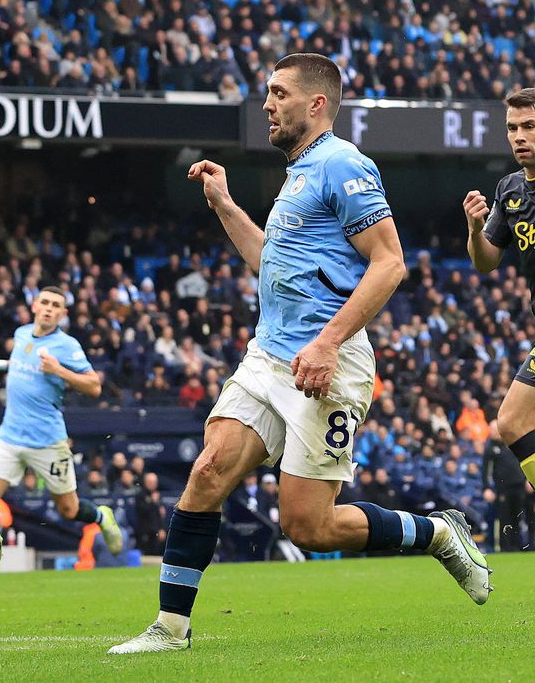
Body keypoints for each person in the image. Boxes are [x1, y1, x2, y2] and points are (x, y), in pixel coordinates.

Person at [110, 53, 490, 656]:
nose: (267, 103)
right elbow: (271, 264)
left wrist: (329, 341)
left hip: (328, 363)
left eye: (278, 93)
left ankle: (438, 533)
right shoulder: (299, 172)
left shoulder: (343, 163)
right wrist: (225, 206)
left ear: (316, 104)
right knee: (208, 471)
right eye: (267, 93)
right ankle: (170, 628)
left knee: (307, 527)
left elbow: (389, 263)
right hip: (270, 355)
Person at [0, 286, 121, 594]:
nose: (48, 308)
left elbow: (94, 387)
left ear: (63, 314)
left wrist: (58, 369)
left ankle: (101, 516)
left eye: (55, 305)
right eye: (44, 302)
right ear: (34, 305)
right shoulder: (21, 334)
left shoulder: (67, 346)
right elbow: (23, 363)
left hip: (47, 441)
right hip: (8, 436)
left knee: (68, 511)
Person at [463, 88, 535, 495]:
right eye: (512, 128)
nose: (519, 136)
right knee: (511, 422)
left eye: (529, 126)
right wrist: (475, 228)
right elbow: (486, 260)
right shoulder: (510, 190)